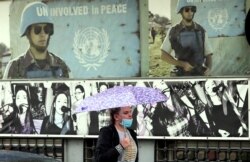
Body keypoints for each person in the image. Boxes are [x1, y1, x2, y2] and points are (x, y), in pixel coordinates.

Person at [3, 1, 70, 79]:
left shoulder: (61, 66)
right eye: (37, 30)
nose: (43, 34)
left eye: (46, 29)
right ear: (28, 33)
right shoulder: (15, 67)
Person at [160, 0, 213, 76]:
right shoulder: (174, 31)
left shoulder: (201, 30)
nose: (190, 12)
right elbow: (163, 55)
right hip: (181, 74)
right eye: (187, 10)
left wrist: (209, 68)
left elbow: (208, 54)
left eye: (193, 9)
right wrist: (182, 64)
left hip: (199, 74)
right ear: (181, 11)